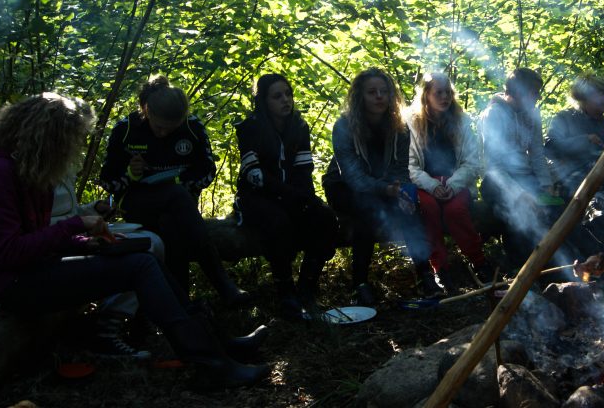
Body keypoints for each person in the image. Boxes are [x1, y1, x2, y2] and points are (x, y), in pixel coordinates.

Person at [0, 94, 268, 387]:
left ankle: (215, 345)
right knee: (139, 266)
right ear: (49, 138)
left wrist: (86, 242)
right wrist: (76, 227)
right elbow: (9, 253)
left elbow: (34, 240)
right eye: (72, 140)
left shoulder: (25, 171)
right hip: (4, 285)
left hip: (28, 270)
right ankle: (211, 365)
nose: (75, 148)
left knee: (143, 252)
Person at [99, 75, 251, 306]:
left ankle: (180, 304)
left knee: (172, 220)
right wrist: (130, 175)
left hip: (179, 208)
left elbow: (207, 172)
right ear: (146, 110)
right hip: (137, 204)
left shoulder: (192, 127)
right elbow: (108, 182)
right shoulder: (126, 129)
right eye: (159, 127)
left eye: (171, 129)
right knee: (176, 197)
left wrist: (183, 182)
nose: (164, 134)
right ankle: (223, 285)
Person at [323, 68, 435, 304]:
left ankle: (426, 277)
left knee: (410, 210)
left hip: (383, 185)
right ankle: (360, 284)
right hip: (343, 186)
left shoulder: (399, 128)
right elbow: (353, 176)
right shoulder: (344, 126)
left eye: (384, 92)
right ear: (360, 96)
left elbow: (401, 169)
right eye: (372, 92)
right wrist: (387, 190)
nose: (379, 97)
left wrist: (403, 193)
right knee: (367, 213)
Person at [234, 74, 339, 319]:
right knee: (278, 222)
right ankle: (285, 290)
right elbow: (253, 173)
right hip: (256, 197)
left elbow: (304, 169)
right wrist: (290, 195)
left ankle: (307, 285)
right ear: (264, 100)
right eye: (277, 96)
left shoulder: (299, 127)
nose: (285, 100)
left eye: (288, 94)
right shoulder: (249, 127)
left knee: (325, 218)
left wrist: (308, 200)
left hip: (291, 196)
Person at [50, 174, 166, 358]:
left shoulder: (59, 170)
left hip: (74, 237)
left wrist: (93, 209)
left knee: (152, 242)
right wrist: (85, 237)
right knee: (140, 251)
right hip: (58, 249)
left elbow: (68, 214)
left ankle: (141, 317)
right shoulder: (29, 172)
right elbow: (43, 227)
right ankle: (105, 331)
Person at [407, 72, 492, 289]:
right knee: (428, 210)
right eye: (439, 93)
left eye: (448, 92)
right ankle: (440, 269)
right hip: (426, 185)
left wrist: (452, 185)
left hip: (456, 182)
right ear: (426, 95)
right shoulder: (413, 123)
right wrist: (433, 186)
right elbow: (411, 166)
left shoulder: (460, 122)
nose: (445, 97)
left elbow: (472, 162)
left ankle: (479, 262)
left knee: (455, 211)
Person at [478, 68, 559, 268]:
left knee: (555, 206)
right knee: (521, 213)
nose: (537, 97)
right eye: (534, 92)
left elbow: (537, 153)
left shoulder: (532, 113)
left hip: (526, 177)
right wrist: (519, 194)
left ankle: (550, 265)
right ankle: (519, 269)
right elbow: (493, 166)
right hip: (497, 180)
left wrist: (546, 184)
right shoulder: (493, 115)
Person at [545, 73, 604, 253]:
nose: (603, 109)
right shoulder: (564, 118)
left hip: (599, 179)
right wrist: (584, 140)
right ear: (584, 97)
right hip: (567, 177)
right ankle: (598, 216)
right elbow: (550, 146)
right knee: (597, 172)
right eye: (600, 104)